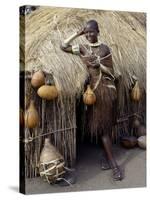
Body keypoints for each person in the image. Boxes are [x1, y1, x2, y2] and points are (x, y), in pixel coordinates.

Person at [60, 20, 123, 181]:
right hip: (93, 93)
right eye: (86, 32)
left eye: (91, 32)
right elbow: (63, 46)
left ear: (98, 31)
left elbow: (111, 72)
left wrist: (99, 65)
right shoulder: (82, 48)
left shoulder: (105, 49)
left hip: (107, 91)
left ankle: (114, 164)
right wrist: (77, 33)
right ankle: (108, 159)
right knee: (102, 128)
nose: (88, 35)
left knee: (105, 128)